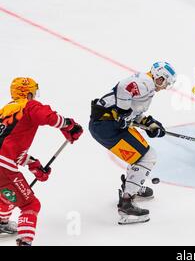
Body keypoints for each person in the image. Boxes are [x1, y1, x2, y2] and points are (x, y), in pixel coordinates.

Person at [89, 62, 176, 225]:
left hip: (104, 125)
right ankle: (127, 204)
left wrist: (150, 124)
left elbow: (132, 113)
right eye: (165, 82)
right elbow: (124, 86)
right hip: (105, 126)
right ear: (159, 76)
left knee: (140, 154)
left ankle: (131, 186)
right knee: (147, 157)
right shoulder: (146, 82)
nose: (164, 87)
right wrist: (122, 113)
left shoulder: (147, 85)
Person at [0, 77, 83, 246]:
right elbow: (48, 117)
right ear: (29, 93)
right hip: (3, 168)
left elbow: (9, 148)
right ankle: (24, 242)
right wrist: (68, 125)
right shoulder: (29, 105)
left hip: (3, 164)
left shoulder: (5, 111)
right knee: (30, 204)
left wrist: (33, 164)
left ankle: (2, 224)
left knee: (8, 194)